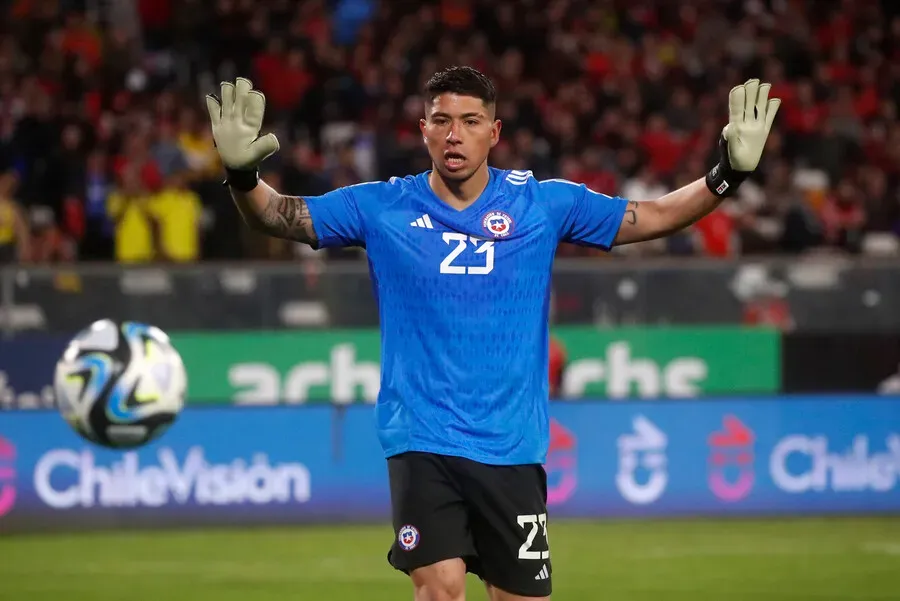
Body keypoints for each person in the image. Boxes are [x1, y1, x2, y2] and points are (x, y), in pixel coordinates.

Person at [205, 67, 780, 601]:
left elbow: (653, 215)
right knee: (441, 587)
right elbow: (280, 215)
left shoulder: (543, 203)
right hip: (422, 437)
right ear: (423, 130)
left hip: (512, 446)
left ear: (494, 132)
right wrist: (241, 175)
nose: (454, 134)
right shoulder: (382, 207)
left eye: (470, 121)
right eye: (441, 120)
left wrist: (726, 175)